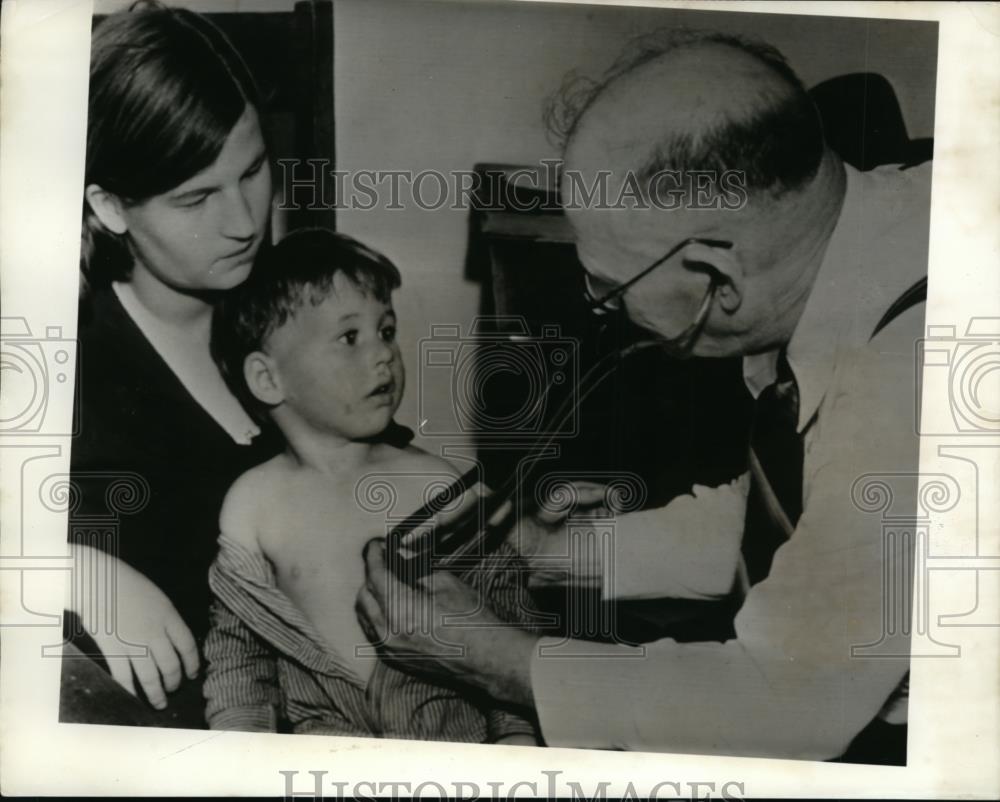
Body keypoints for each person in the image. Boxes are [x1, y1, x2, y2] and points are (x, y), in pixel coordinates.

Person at [356, 30, 929, 762]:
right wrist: (551, 551)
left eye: (607, 290)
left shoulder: (914, 377)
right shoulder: (859, 238)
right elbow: (807, 523)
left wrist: (490, 655)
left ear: (717, 278)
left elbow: (780, 703)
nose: (602, 311)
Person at [203, 228, 539, 744]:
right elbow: (239, 658)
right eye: (349, 337)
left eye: (386, 331)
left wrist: (516, 740)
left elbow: (506, 615)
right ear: (268, 380)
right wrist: (241, 752)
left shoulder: (435, 487)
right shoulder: (253, 505)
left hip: (451, 746)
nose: (383, 355)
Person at [63, 2, 279, 728]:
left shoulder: (286, 302)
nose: (245, 220)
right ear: (111, 206)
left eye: (253, 171)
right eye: (197, 198)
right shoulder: (64, 355)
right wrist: (72, 571)